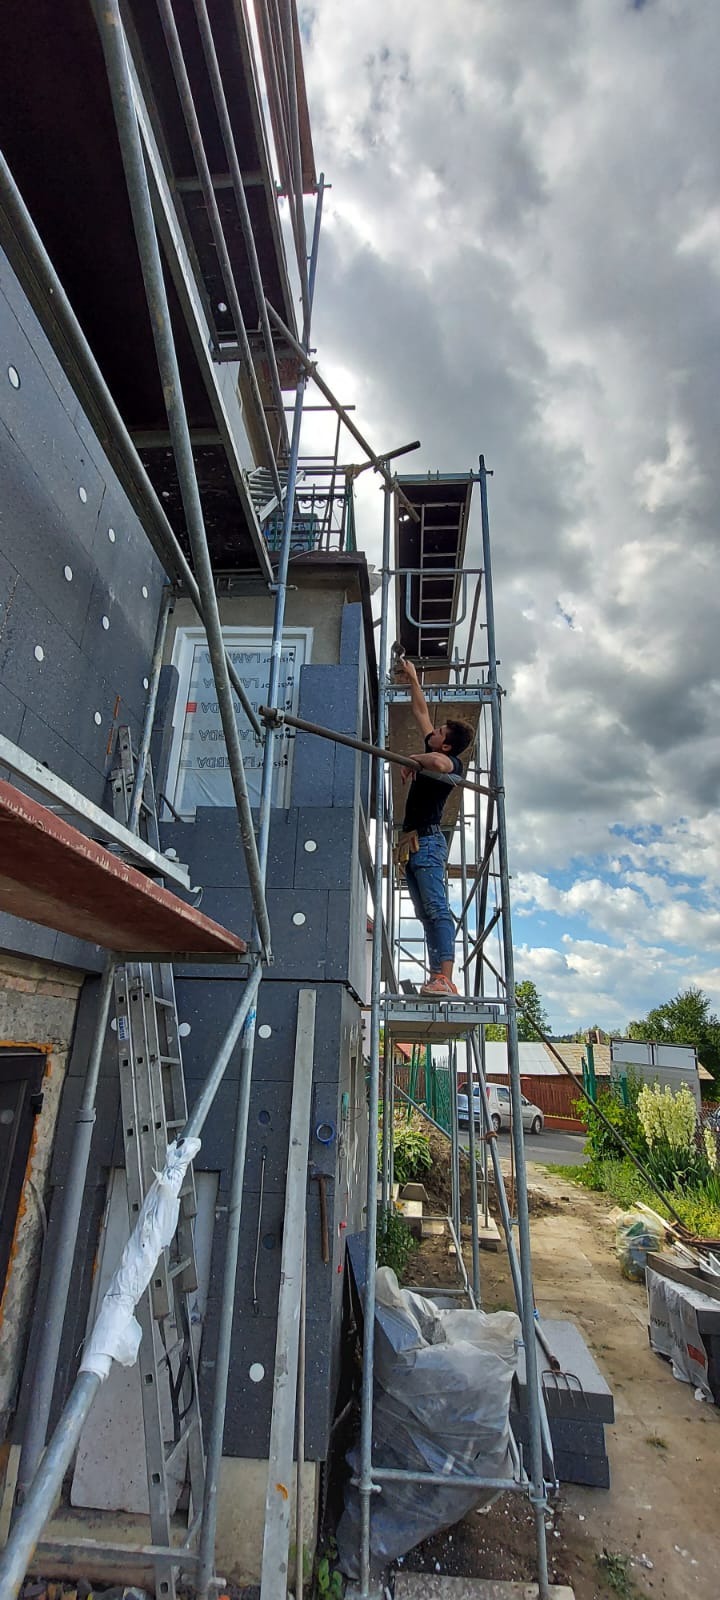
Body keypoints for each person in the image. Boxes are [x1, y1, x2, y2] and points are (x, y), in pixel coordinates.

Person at [395, 658, 474, 996]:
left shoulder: (450, 762)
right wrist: (413, 678)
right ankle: (436, 976)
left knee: (436, 909)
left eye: (440, 733)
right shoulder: (437, 749)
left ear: (446, 744)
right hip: (414, 844)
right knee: (425, 913)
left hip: (428, 843)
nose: (434, 731)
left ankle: (446, 977)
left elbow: (440, 763)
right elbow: (421, 711)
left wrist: (414, 759)